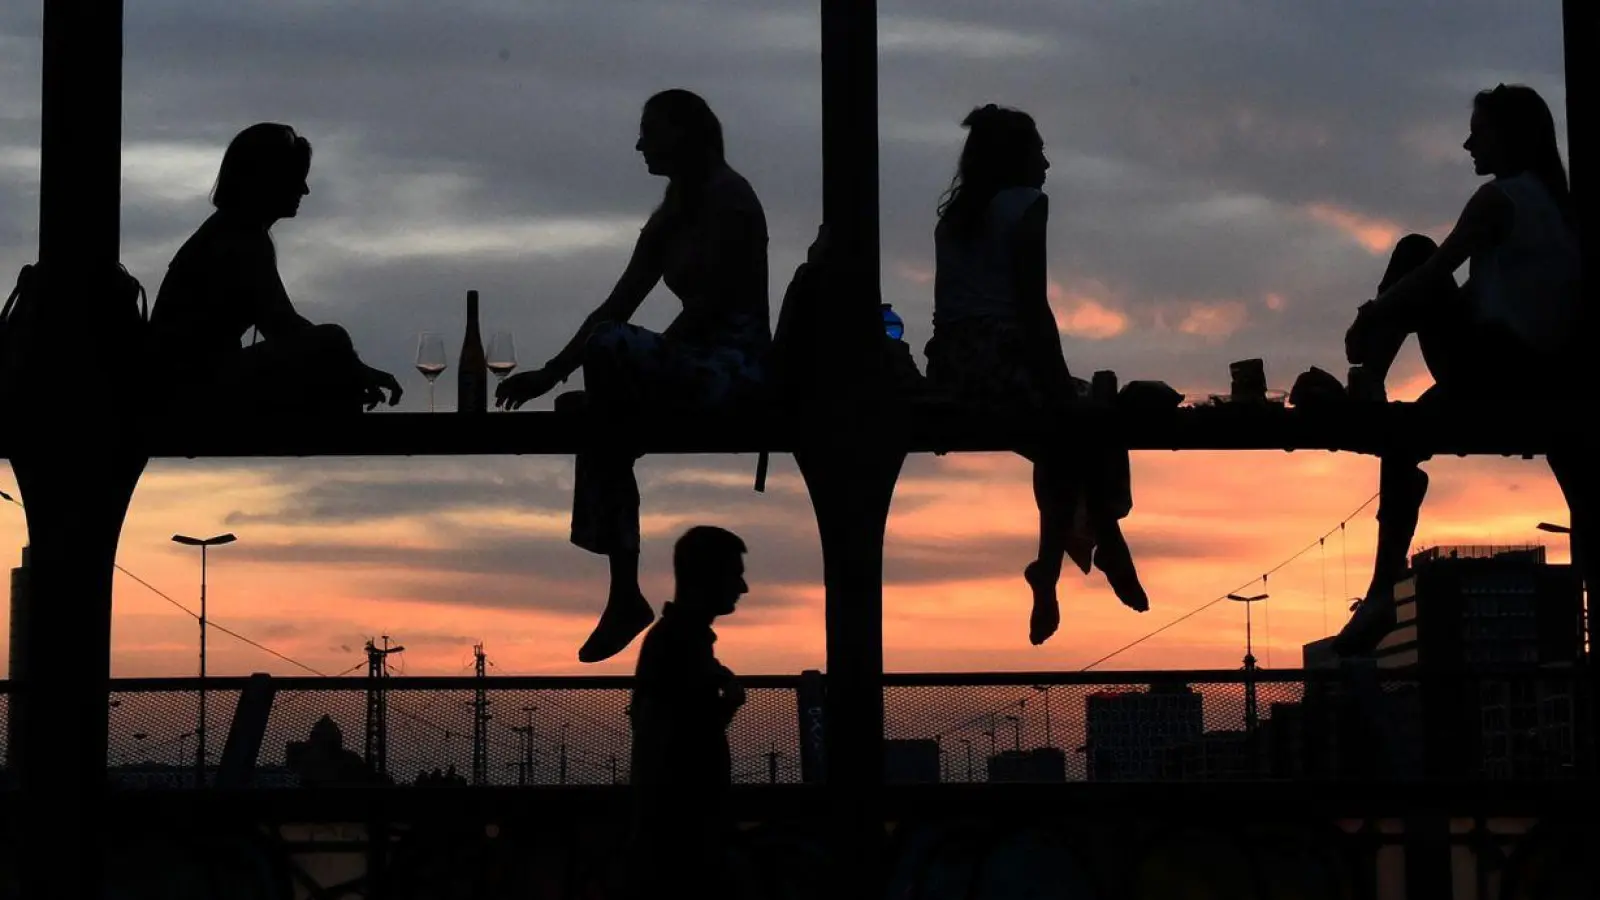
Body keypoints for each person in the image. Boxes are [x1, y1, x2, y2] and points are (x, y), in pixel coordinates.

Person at [496, 90, 770, 663]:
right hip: (691, 369)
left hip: (736, 373)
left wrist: (640, 369)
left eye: (651, 130)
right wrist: (550, 373)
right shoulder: (672, 213)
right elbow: (616, 304)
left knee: (601, 400)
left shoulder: (731, 202)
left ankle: (625, 594)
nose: (639, 143)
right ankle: (623, 591)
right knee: (596, 409)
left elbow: (709, 310)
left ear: (685, 134)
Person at [1334, 84, 1588, 655]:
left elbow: (1434, 273)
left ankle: (1368, 386)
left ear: (1510, 137)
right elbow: (1488, 295)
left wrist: (1372, 316)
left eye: (1481, 130)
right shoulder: (1559, 209)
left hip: (1497, 376)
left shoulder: (1500, 201)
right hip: (1543, 380)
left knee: (1414, 251)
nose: (1468, 142)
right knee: (1402, 441)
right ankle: (1378, 591)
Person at [924, 104, 1150, 647]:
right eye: (1039, 150)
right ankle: (1106, 535)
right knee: (1088, 415)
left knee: (1058, 442)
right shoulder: (1026, 205)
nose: (1047, 163)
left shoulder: (954, 218)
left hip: (952, 367)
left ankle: (1050, 571)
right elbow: (1031, 304)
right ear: (1016, 157)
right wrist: (1056, 378)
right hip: (1004, 354)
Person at [148, 123, 403, 415]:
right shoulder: (240, 238)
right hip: (190, 391)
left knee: (332, 348)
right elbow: (283, 326)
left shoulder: (230, 232)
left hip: (184, 386)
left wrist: (351, 366)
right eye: (297, 178)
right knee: (332, 340)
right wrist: (352, 366)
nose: (305, 190)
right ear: (270, 179)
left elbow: (282, 323)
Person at [624, 525, 748, 899]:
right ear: (708, 578)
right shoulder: (681, 644)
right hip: (681, 840)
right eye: (735, 575)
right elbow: (676, 739)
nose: (742, 588)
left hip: (675, 836)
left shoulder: (674, 640)